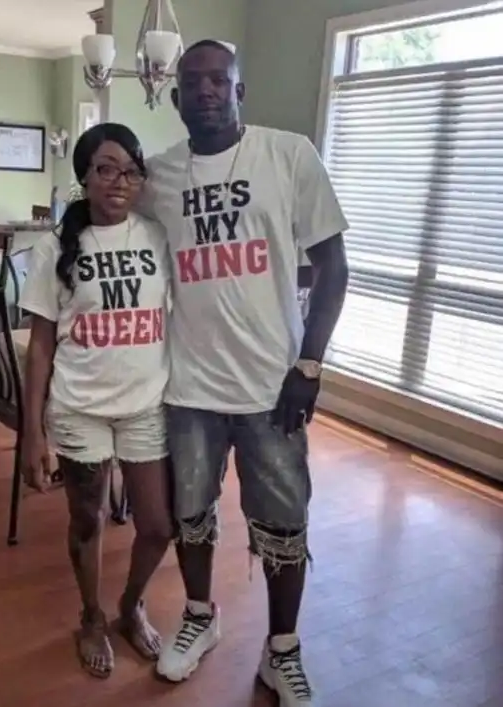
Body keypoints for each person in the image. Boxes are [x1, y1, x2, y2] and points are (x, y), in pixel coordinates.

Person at [141, 40, 350, 706]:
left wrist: (310, 362)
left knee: (285, 523)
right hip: (188, 385)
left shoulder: (288, 155)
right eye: (192, 81)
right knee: (191, 514)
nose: (205, 90)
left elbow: (334, 266)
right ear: (176, 97)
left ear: (239, 91)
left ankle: (281, 650)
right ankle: (199, 616)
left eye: (218, 79)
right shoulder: (157, 178)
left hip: (272, 386)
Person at [19, 123, 174, 679]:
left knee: (158, 524)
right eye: (106, 169)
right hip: (79, 407)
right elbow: (40, 347)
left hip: (146, 404)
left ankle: (131, 605)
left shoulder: (157, 236)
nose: (119, 181)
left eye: (130, 171)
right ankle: (91, 616)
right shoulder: (54, 247)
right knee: (89, 519)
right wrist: (32, 433)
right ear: (84, 176)